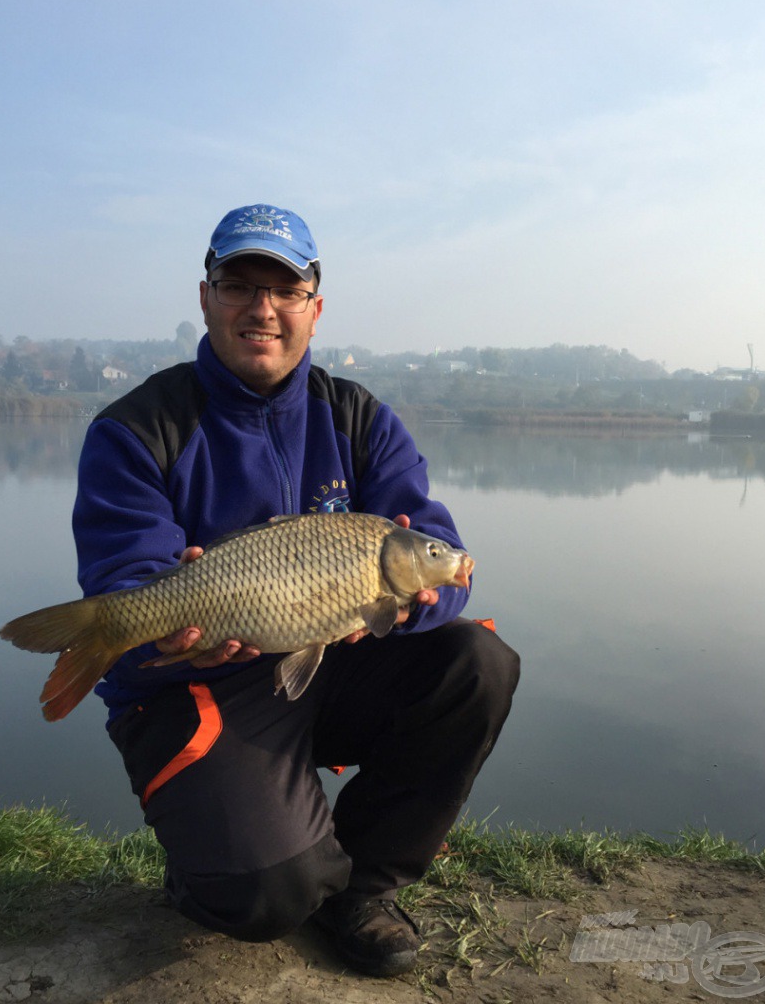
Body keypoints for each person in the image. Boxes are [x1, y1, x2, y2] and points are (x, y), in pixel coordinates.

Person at [72, 203, 520, 978]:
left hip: (320, 659)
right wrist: (169, 628)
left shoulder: (359, 419)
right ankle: (217, 866)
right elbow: (126, 576)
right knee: (269, 894)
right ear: (206, 297)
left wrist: (415, 601)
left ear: (315, 306)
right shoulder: (137, 427)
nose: (263, 309)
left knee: (476, 663)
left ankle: (367, 886)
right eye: (239, 285)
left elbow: (445, 565)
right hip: (195, 679)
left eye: (284, 290)